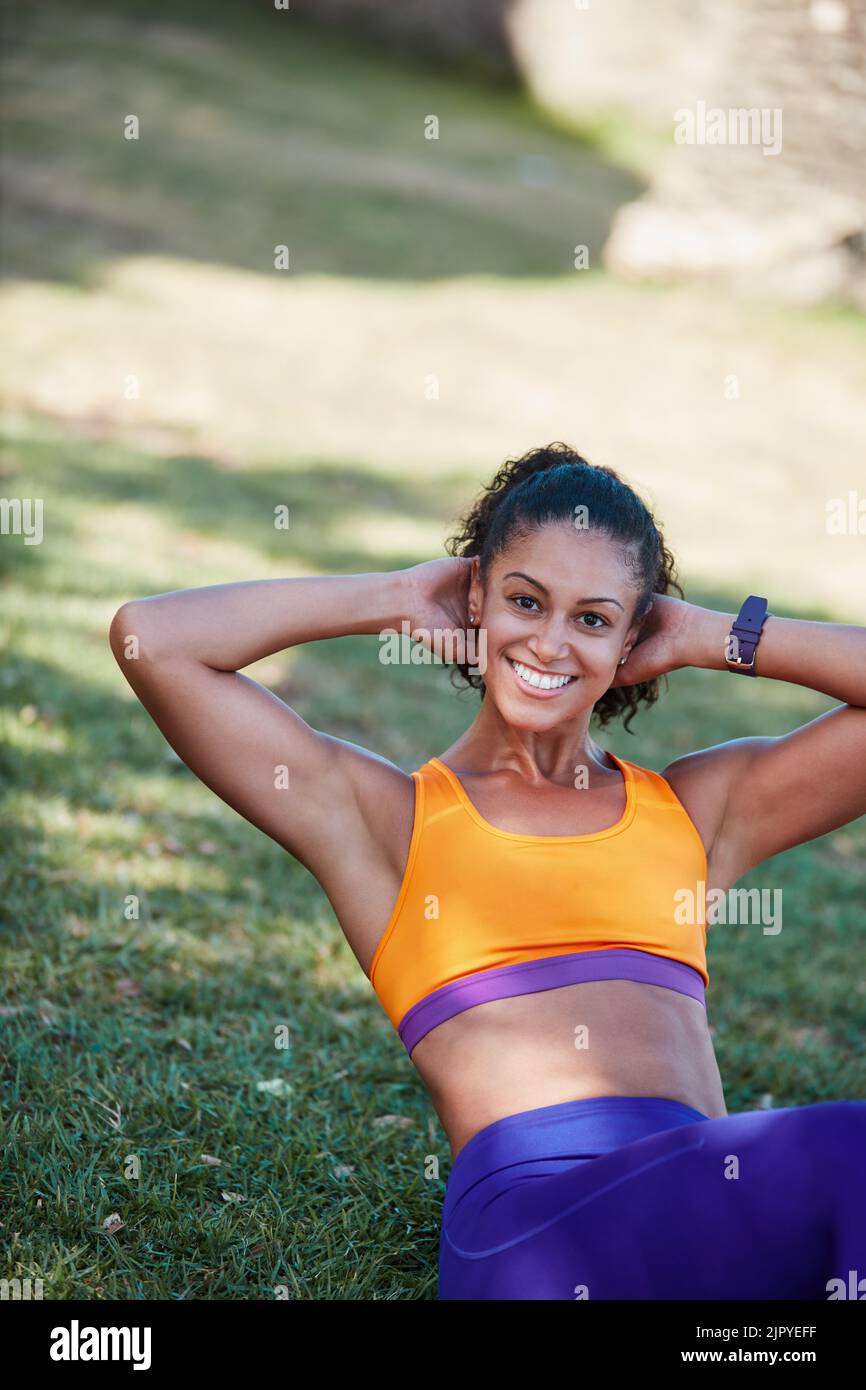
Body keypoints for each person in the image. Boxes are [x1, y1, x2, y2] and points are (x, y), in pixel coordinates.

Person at [109, 443, 866, 1300]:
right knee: (853, 1153)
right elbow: (152, 639)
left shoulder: (696, 812)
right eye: (523, 601)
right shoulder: (387, 822)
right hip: (535, 1234)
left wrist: (715, 635)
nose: (548, 641)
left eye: (592, 618)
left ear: (634, 637)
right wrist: (391, 596)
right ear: (476, 597)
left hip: (700, 1222)